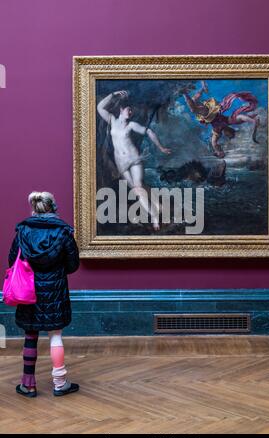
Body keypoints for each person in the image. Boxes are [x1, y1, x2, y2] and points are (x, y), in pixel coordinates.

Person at [8, 191, 80, 397]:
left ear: (35, 207)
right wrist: (56, 272)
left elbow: (12, 261)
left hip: (28, 290)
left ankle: (28, 384)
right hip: (54, 291)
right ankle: (60, 383)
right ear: (53, 207)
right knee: (55, 335)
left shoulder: (22, 231)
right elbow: (73, 264)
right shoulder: (63, 232)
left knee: (30, 335)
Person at [97, 90, 171, 230]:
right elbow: (100, 107)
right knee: (138, 190)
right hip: (121, 164)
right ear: (121, 109)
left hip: (134, 159)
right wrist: (113, 95)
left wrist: (160, 147)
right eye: (128, 110)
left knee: (138, 187)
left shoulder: (131, 125)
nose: (130, 113)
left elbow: (148, 131)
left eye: (131, 111)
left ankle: (154, 216)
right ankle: (157, 206)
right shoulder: (112, 120)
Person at [181, 82, 260, 158]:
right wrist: (252, 121)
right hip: (211, 112)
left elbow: (214, 143)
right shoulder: (228, 121)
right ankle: (194, 91)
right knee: (194, 106)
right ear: (229, 131)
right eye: (229, 135)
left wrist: (219, 152)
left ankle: (191, 92)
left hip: (208, 114)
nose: (227, 135)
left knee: (194, 106)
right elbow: (241, 117)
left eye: (228, 136)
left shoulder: (217, 131)